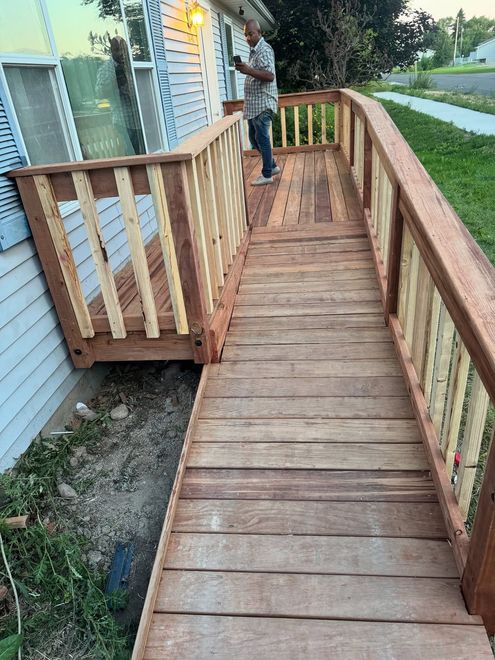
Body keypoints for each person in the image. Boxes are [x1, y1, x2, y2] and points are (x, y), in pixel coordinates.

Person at [235, 20, 279, 186]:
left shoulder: (264, 49)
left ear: (259, 33)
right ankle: (272, 166)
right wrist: (247, 69)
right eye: (245, 34)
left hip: (263, 102)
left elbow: (269, 76)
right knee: (254, 140)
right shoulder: (254, 51)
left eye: (250, 34)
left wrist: (248, 70)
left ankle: (267, 174)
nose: (247, 37)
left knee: (262, 138)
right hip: (255, 105)